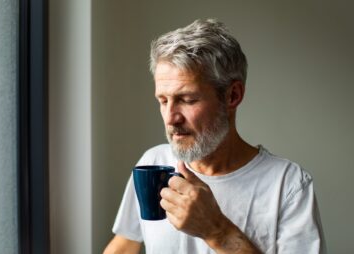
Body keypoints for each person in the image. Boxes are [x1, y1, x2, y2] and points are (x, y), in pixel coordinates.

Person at [104, 19, 326, 254]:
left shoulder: (288, 186)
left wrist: (216, 231)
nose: (170, 118)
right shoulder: (153, 163)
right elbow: (124, 245)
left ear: (232, 96)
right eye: (163, 100)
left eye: (187, 100)